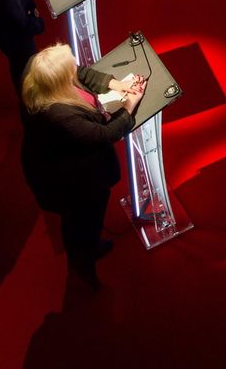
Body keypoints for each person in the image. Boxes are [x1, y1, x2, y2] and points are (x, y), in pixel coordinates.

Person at [20, 44, 147, 289]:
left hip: (77, 168)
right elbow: (104, 134)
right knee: (81, 222)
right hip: (71, 183)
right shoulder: (60, 116)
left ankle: (88, 248)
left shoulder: (39, 72)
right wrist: (129, 105)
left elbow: (81, 72)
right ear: (59, 81)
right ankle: (83, 266)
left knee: (87, 219)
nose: (75, 69)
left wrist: (116, 84)